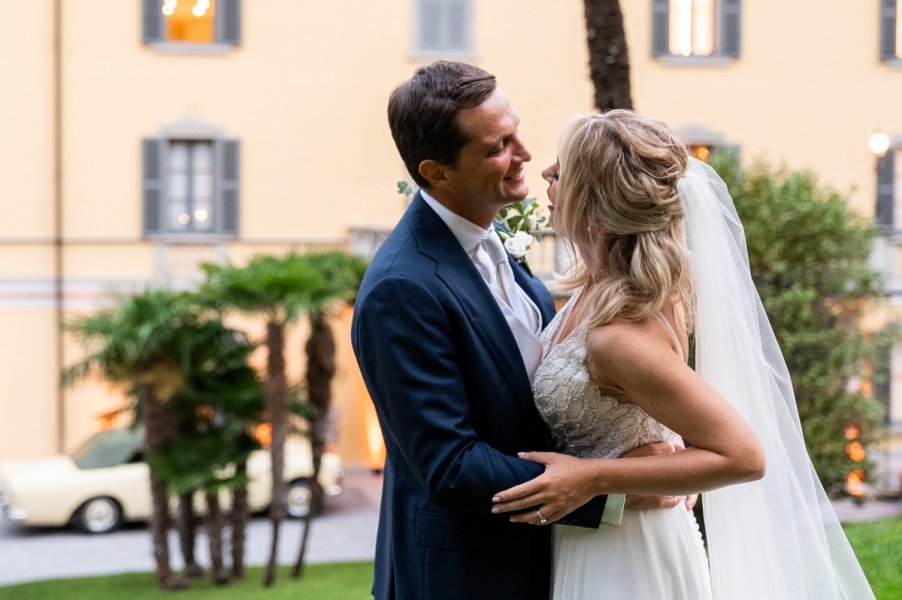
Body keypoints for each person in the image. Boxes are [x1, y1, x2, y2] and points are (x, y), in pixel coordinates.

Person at [491, 110, 875, 599]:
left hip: (626, 558)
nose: (546, 174)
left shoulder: (620, 336)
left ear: (596, 200)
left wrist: (594, 477)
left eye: (563, 169)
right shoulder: (601, 290)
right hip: (599, 537)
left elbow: (742, 455)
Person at [351, 63, 673, 600]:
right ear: (436, 172)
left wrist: (645, 452)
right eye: (498, 146)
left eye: (516, 130)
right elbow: (451, 465)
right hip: (466, 575)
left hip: (551, 558)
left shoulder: (498, 240)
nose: (525, 153)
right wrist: (612, 488)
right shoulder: (401, 289)